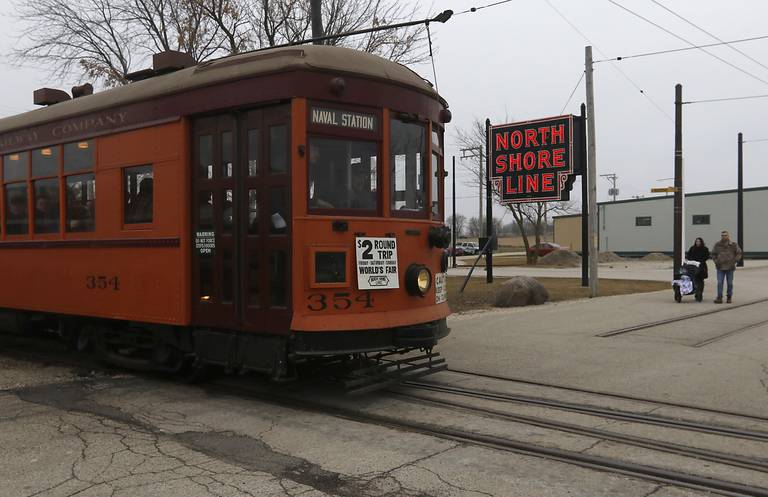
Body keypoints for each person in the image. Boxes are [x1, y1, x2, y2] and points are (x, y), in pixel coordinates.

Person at [711, 230, 743, 304]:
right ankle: (719, 297)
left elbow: (739, 253)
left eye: (725, 235)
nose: (724, 237)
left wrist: (735, 261)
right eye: (722, 235)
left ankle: (729, 297)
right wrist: (716, 261)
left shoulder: (733, 245)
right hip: (720, 267)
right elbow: (713, 254)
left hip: (730, 267)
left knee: (730, 283)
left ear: (728, 236)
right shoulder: (717, 245)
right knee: (719, 282)